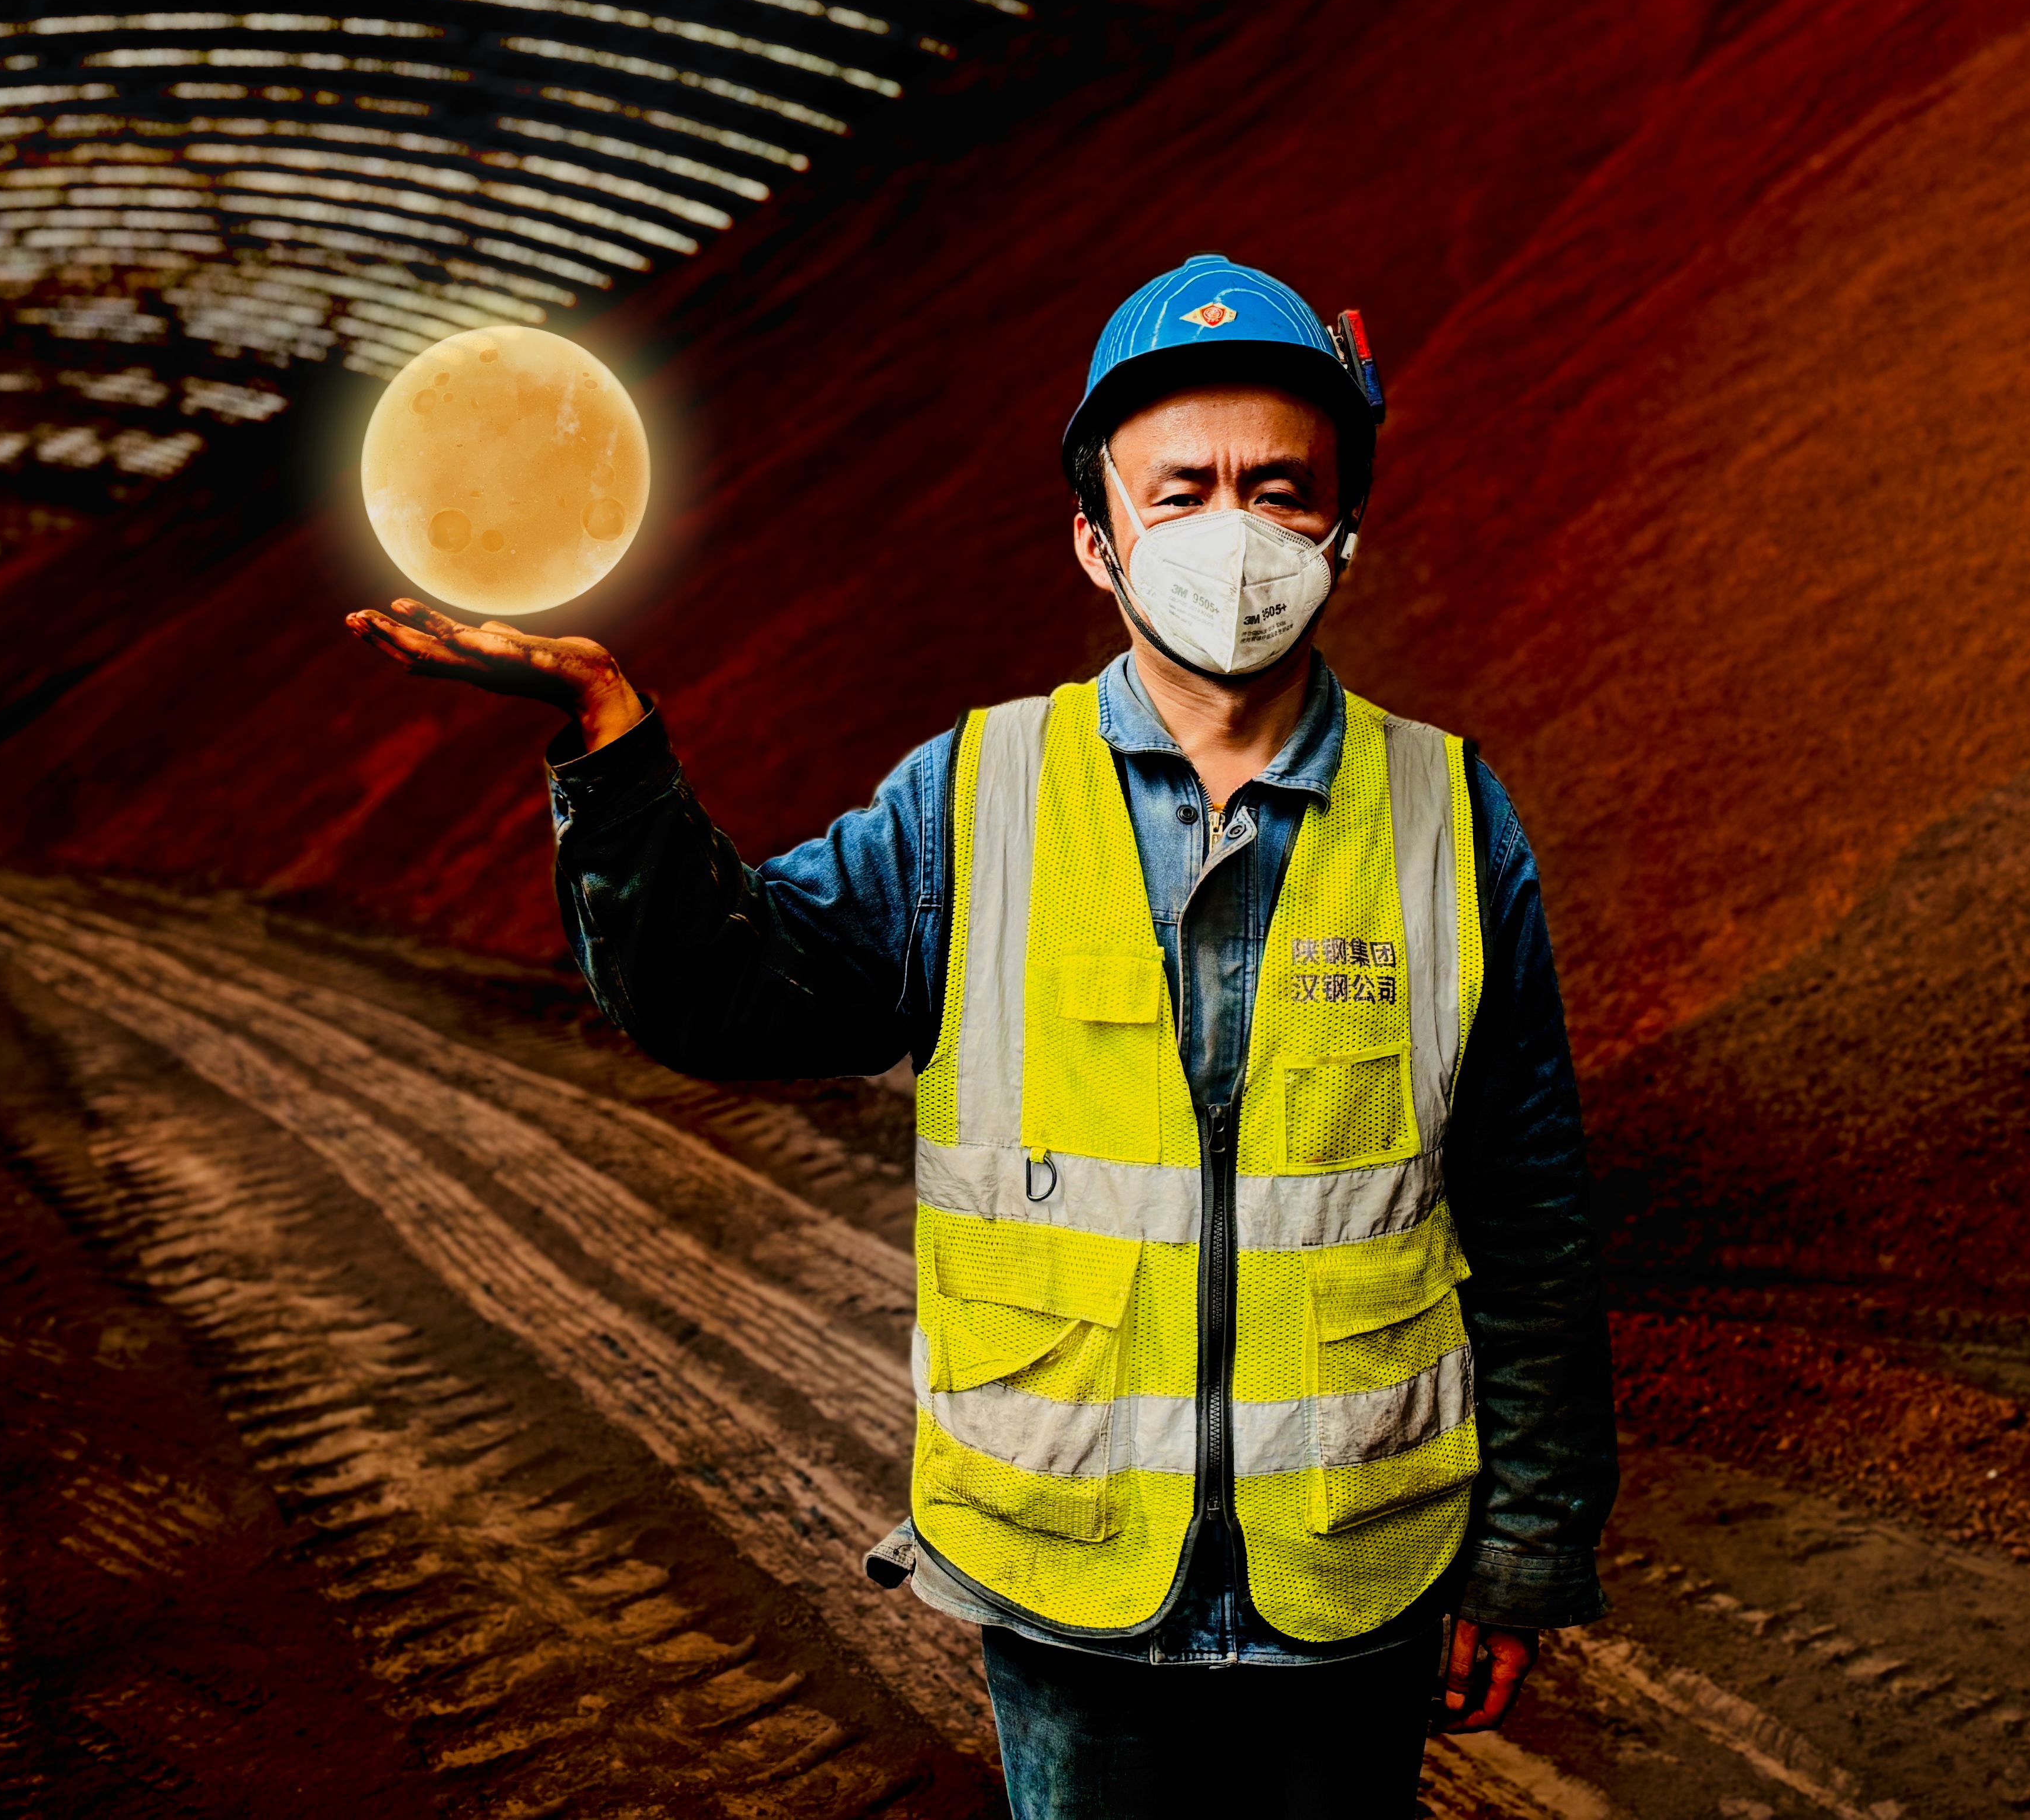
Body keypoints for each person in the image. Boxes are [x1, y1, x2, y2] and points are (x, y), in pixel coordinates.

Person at [346, 254, 1616, 1816]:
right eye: (1184, 487)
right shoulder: (974, 798)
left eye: (1281, 487)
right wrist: (611, 750)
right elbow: (725, 995)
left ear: (1342, 526)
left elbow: (1534, 1215)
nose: (1235, 528)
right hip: (1070, 1584)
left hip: (1354, 1584)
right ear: (1097, 536)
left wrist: (1528, 1548)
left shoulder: (1446, 816)